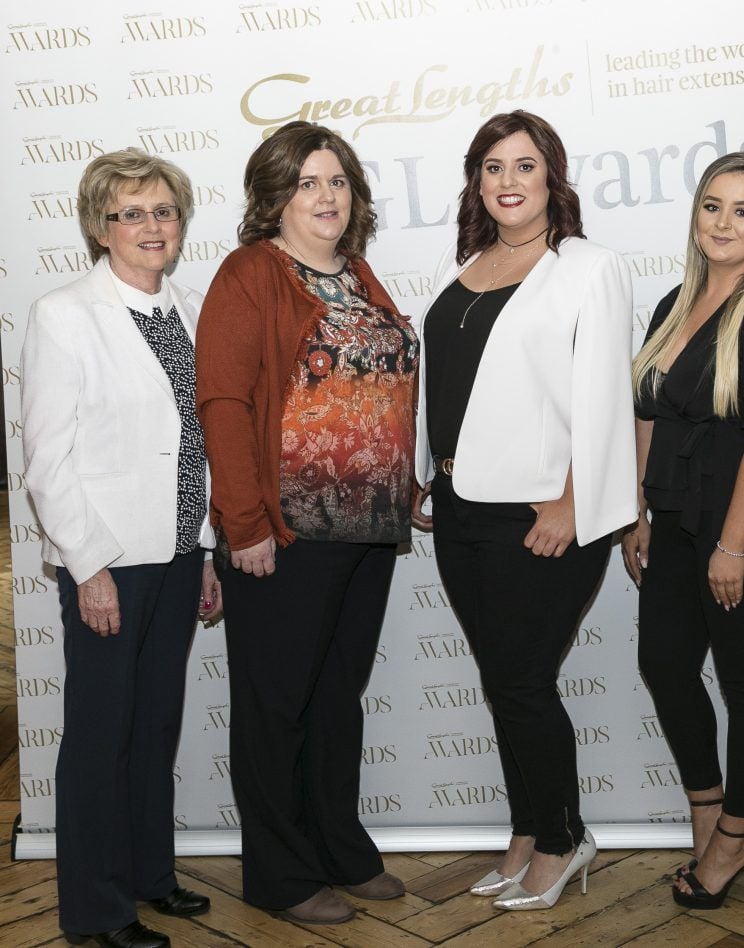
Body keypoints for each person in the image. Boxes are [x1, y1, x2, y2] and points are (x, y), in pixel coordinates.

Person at [412, 110, 636, 911]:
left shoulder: (586, 267)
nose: (508, 181)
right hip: (462, 510)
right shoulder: (467, 265)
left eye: (525, 166)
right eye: (492, 167)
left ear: (553, 179)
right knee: (504, 683)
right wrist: (422, 474)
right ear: (478, 181)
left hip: (540, 516)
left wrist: (577, 503)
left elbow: (607, 391)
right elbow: (448, 385)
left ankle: (565, 839)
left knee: (525, 682)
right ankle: (526, 830)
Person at [195, 121, 415, 924]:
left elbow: (374, 388)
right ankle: (281, 876)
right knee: (276, 703)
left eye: (338, 182)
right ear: (275, 197)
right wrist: (244, 521)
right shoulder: (252, 272)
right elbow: (223, 400)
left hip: (368, 529)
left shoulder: (357, 274)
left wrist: (403, 477)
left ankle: (339, 851)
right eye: (308, 182)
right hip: (286, 531)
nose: (326, 196)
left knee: (335, 700)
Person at [21, 149, 219, 948]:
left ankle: (148, 875)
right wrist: (89, 567)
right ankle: (95, 912)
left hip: (177, 554)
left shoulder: (197, 308)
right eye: (130, 213)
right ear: (100, 228)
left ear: (181, 223)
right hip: (107, 560)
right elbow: (46, 459)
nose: (150, 226)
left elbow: (201, 444)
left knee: (156, 724)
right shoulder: (63, 315)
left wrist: (205, 549)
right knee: (101, 734)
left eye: (163, 210)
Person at [623, 151, 744, 910]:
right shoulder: (675, 300)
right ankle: (707, 804)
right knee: (664, 666)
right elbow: (646, 411)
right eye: (712, 206)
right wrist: (637, 511)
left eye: (742, 211)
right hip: (672, 519)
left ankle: (735, 839)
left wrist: (731, 547)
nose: (723, 223)